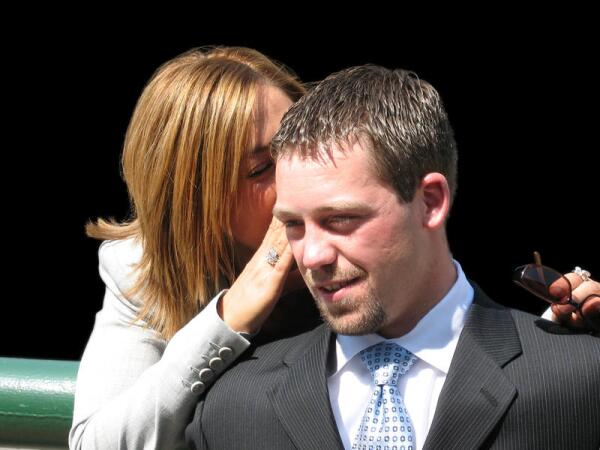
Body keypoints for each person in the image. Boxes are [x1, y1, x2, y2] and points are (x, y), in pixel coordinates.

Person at [185, 65, 600, 449]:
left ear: (430, 202)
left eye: (341, 219)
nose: (311, 256)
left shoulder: (580, 382)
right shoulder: (232, 411)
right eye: (292, 224)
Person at [69, 47, 321, 450]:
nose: (299, 175)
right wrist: (227, 318)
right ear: (196, 205)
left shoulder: (360, 231)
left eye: (302, 146)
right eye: (261, 169)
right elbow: (99, 443)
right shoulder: (142, 268)